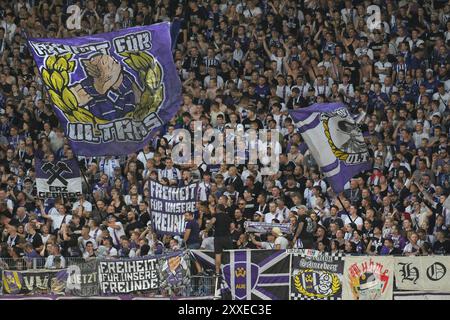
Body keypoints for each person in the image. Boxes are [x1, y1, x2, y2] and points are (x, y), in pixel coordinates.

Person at [211, 204, 232, 276]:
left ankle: (217, 272)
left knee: (218, 255)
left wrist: (206, 230)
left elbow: (212, 222)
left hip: (218, 237)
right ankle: (230, 270)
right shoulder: (227, 216)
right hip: (227, 237)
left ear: (217, 209)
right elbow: (232, 226)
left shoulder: (215, 216)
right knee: (230, 254)